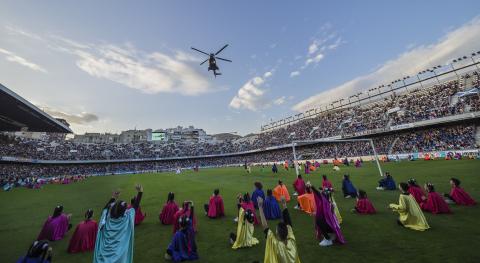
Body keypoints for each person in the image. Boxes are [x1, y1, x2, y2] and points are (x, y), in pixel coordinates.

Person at [93, 185, 143, 263]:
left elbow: (105, 209)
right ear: (124, 211)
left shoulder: (107, 218)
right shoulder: (126, 218)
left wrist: (113, 197)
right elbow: (135, 207)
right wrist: (140, 192)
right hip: (119, 255)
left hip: (104, 253)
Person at [257, 196, 301, 263]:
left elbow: (265, 226)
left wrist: (260, 206)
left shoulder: (276, 245)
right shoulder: (292, 240)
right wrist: (284, 204)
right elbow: (288, 222)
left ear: (277, 234)